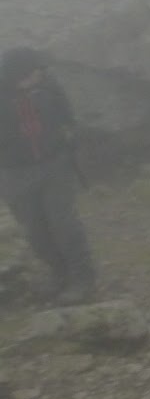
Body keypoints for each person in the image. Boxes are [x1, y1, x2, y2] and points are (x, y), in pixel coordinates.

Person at [0, 47, 97, 304]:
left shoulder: (48, 85)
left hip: (55, 165)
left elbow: (67, 116)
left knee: (65, 224)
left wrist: (71, 144)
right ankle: (59, 274)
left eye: (40, 70)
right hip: (14, 173)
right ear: (17, 74)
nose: (40, 74)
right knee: (35, 230)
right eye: (34, 71)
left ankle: (82, 280)